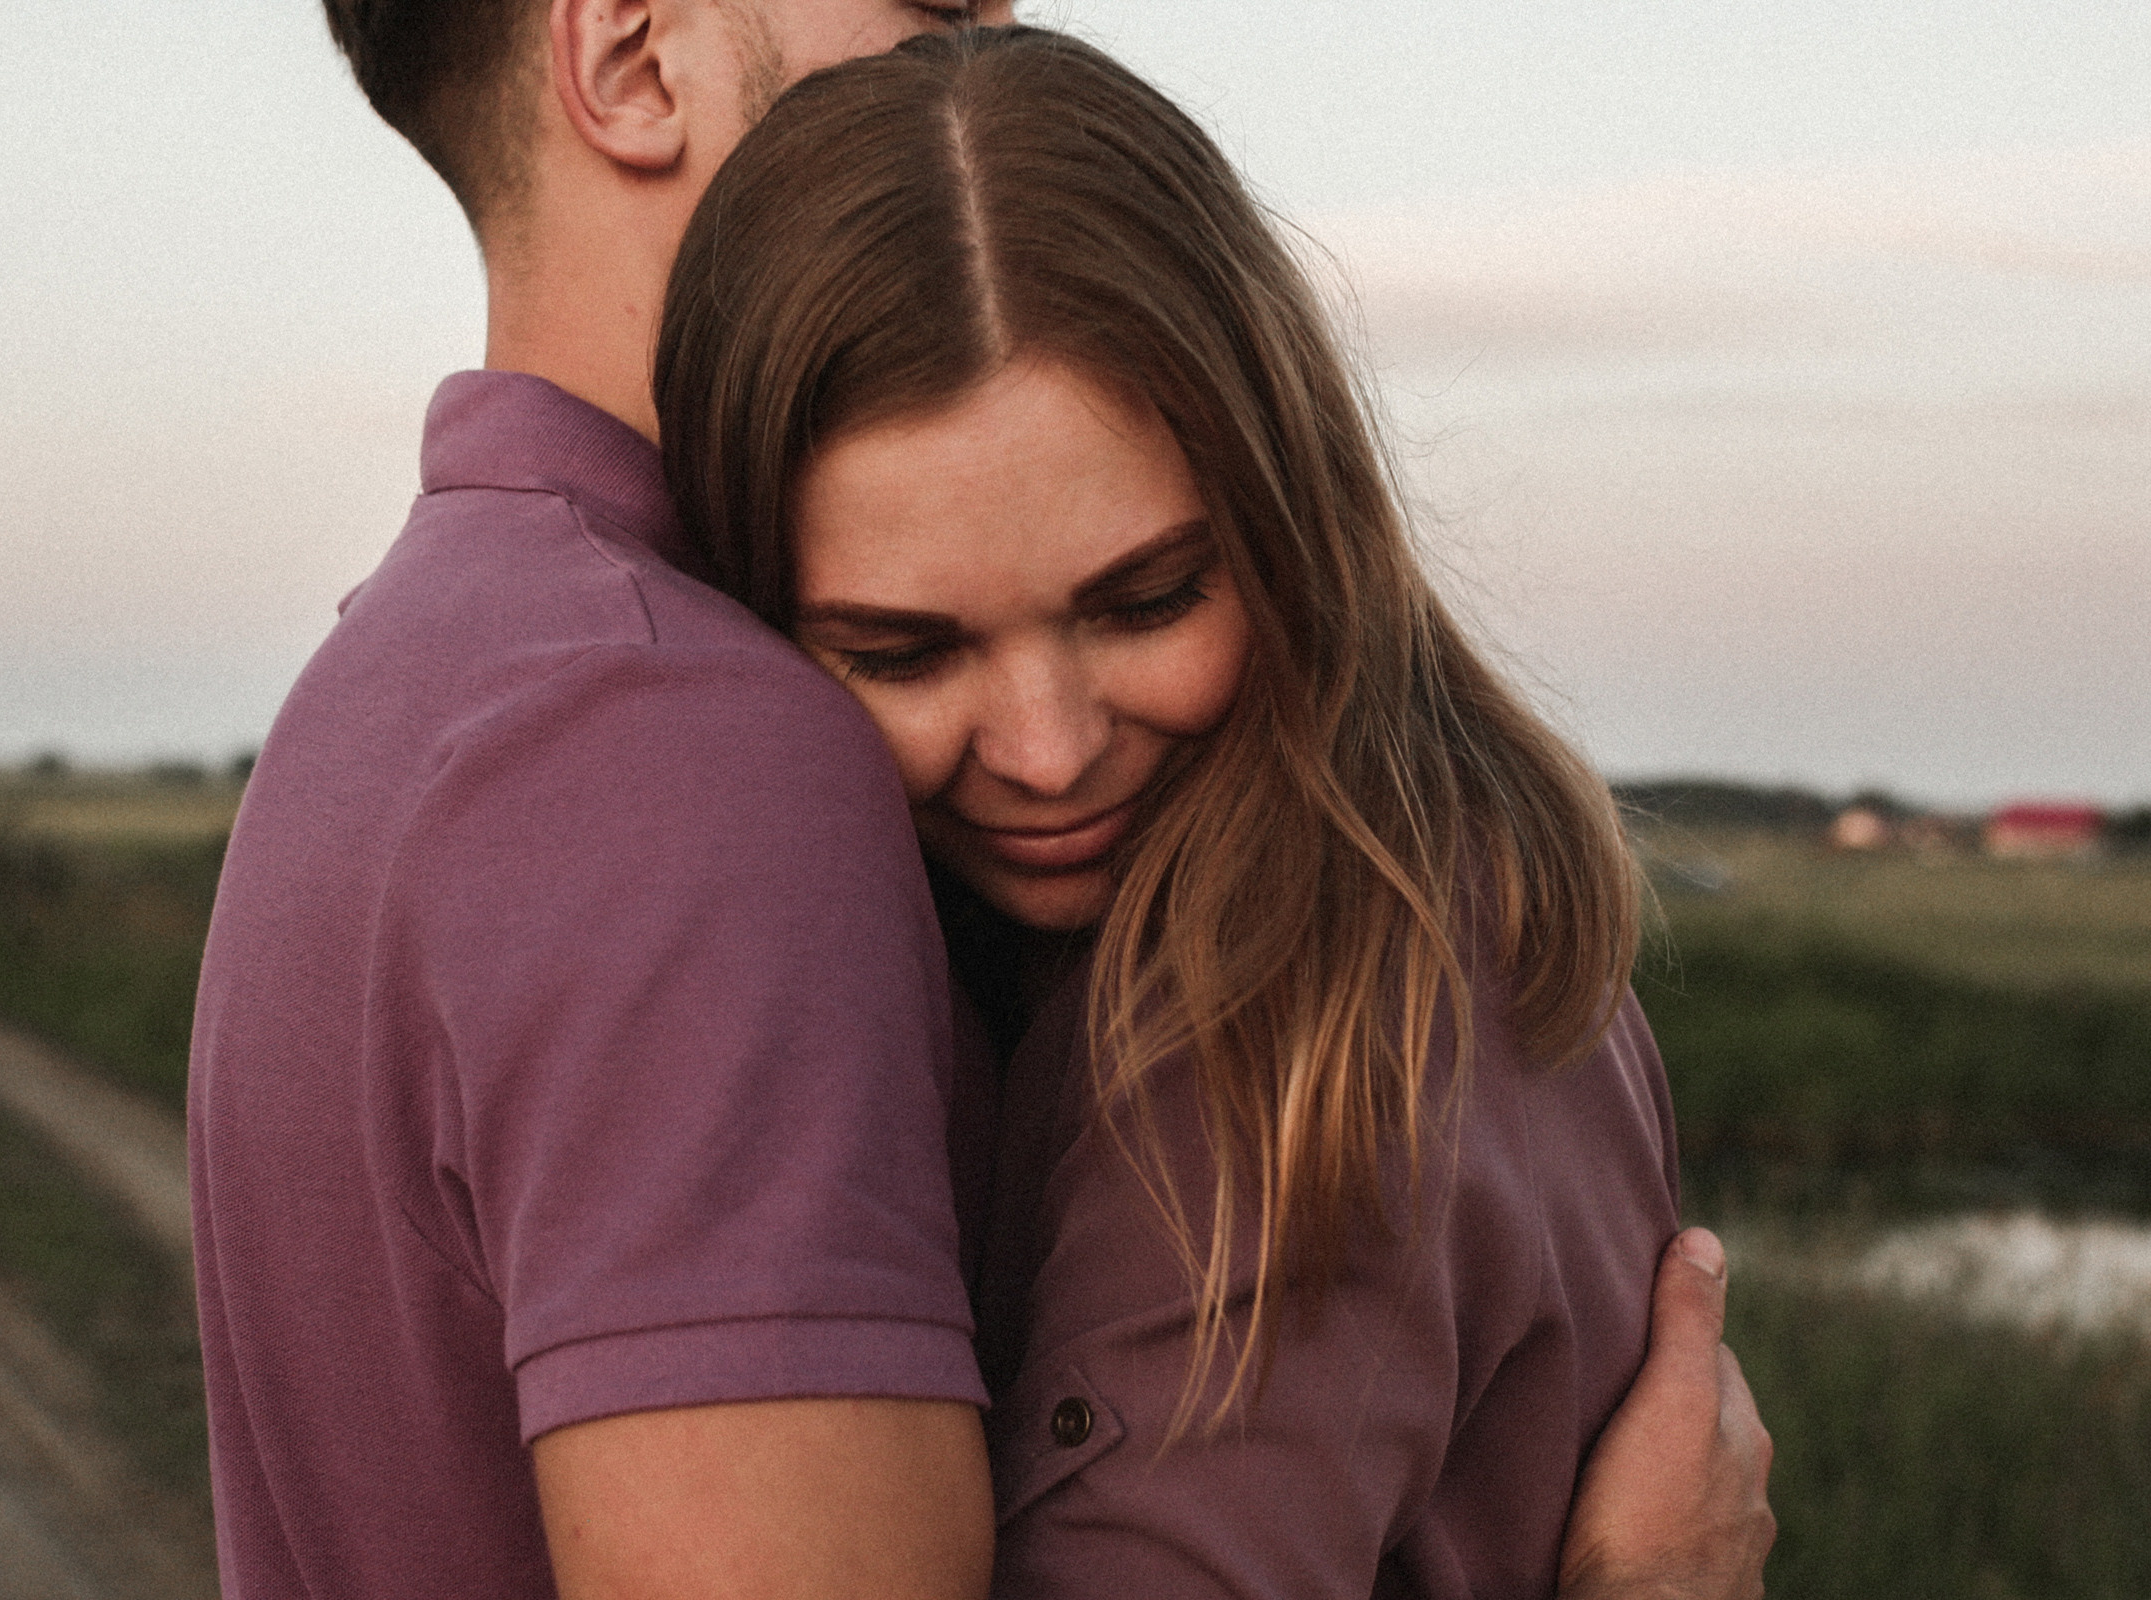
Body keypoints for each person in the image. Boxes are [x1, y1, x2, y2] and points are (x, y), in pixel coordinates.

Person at [190, 3, 1767, 1596]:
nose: (1046, 750)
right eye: (933, 11)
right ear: (633, 55)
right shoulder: (679, 741)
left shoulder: (394, 687)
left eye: (1149, 597)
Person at [655, 25, 1773, 1599]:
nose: (1047, 752)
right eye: (904, 654)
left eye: (1149, 601)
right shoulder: (1455, 871)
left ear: (1292, 514)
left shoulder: (1280, 1045)